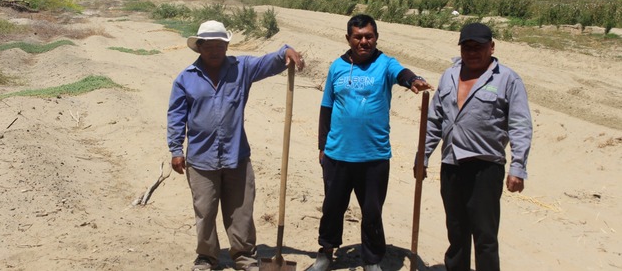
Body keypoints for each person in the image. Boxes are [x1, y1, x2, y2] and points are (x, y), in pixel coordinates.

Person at [167, 20, 305, 271]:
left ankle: (243, 256)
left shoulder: (242, 68)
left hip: (237, 156)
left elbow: (269, 62)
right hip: (201, 159)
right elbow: (176, 116)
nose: (215, 50)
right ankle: (207, 257)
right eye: (209, 45)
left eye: (220, 44)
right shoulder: (185, 78)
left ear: (227, 45)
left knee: (241, 211)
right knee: (205, 212)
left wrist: (286, 51)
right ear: (199, 47)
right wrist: (176, 150)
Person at [308, 14, 432, 271]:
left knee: (372, 212)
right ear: (348, 38)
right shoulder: (337, 67)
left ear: (376, 37)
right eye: (358, 36)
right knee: (332, 208)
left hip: (374, 155)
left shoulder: (385, 63)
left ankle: (372, 259)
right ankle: (326, 253)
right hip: (337, 154)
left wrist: (413, 80)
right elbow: (326, 108)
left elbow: (402, 73)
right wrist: (322, 146)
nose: (364, 41)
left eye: (369, 36)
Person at [420, 22, 533, 271]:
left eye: (478, 47)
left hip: (486, 167)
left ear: (491, 47)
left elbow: (520, 125)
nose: (472, 52)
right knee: (456, 232)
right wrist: (423, 156)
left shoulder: (507, 79)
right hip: (451, 164)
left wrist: (518, 168)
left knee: (485, 237)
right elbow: (434, 120)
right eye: (467, 47)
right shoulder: (449, 76)